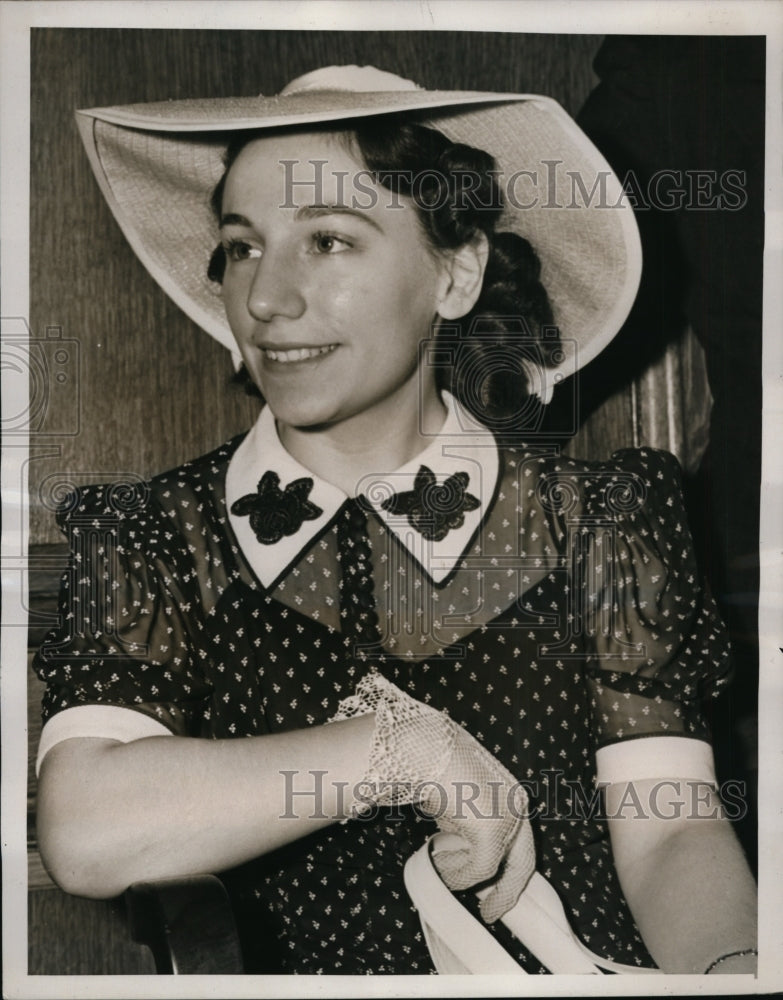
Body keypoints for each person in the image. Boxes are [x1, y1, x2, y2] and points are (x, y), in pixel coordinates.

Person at [33, 65, 757, 975]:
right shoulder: (150, 535)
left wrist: (733, 970)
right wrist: (395, 751)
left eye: (329, 241)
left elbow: (669, 832)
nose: (266, 298)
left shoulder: (599, 521)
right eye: (243, 246)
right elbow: (87, 830)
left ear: (455, 275)